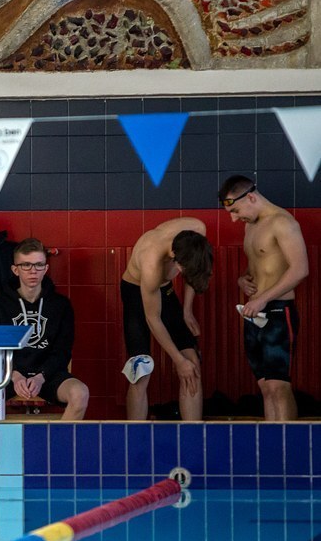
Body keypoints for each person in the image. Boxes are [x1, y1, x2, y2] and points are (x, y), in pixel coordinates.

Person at [220, 175, 308, 420]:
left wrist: (263, 299)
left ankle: (287, 441)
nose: (234, 219)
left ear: (250, 197)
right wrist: (243, 279)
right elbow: (261, 264)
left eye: (236, 211)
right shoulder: (251, 225)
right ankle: (272, 442)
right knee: (266, 388)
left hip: (279, 312)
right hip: (254, 313)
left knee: (279, 386)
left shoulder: (283, 223)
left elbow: (300, 269)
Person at [120, 218, 212, 421]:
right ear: (174, 258)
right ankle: (135, 436)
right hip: (136, 293)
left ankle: (192, 434)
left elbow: (193, 270)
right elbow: (153, 319)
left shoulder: (197, 230)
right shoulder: (151, 262)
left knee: (192, 364)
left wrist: (187, 310)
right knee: (141, 370)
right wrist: (178, 361)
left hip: (166, 292)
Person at [0, 238, 89, 420]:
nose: (33, 271)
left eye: (39, 265)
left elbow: (62, 351)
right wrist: (14, 375)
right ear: (15, 270)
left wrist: (41, 376)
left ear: (46, 268)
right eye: (26, 265)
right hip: (9, 375)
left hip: (48, 375)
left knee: (80, 394)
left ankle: (59, 439)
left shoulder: (60, 305)